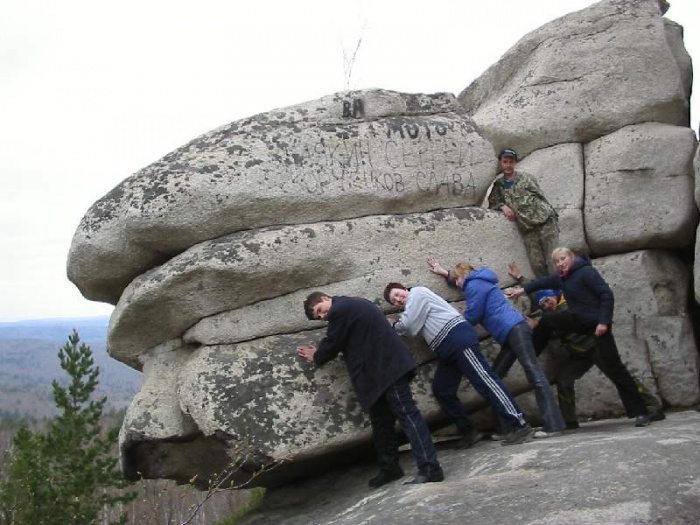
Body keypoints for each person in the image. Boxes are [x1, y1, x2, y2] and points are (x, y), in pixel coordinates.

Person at [296, 292, 444, 487]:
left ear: (325, 298)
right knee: (381, 422)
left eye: (319, 311)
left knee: (408, 416)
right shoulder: (352, 305)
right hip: (377, 375)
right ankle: (390, 468)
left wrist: (317, 355)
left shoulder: (341, 309)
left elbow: (333, 342)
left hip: (389, 369)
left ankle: (430, 468)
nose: (322, 317)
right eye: (319, 317)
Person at [508, 247, 653, 427]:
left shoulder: (586, 273)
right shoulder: (562, 278)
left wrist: (603, 322)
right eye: (557, 261)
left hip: (597, 329)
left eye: (563, 259)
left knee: (616, 369)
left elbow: (606, 295)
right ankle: (530, 355)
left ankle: (643, 411)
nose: (561, 263)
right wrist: (521, 289)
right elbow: (542, 284)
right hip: (579, 323)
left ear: (572, 257)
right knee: (548, 320)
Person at [426, 257, 565, 438]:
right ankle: (508, 428)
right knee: (495, 377)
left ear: (465, 275)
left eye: (458, 279)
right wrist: (443, 272)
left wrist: (453, 326)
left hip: (514, 330)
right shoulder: (477, 281)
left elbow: (473, 315)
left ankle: (553, 425)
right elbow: (457, 280)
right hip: (510, 333)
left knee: (534, 374)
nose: (457, 284)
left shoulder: (474, 286)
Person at [383, 282, 535, 446]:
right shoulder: (412, 307)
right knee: (442, 389)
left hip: (457, 338)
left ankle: (519, 424)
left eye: (398, 294)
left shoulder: (417, 293)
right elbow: (410, 324)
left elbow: (410, 327)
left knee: (485, 380)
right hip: (446, 348)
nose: (398, 299)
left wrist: (393, 324)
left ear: (404, 289)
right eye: (394, 301)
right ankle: (468, 431)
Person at [534, 288, 665, 429]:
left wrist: (539, 325)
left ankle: (653, 406)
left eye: (547, 301)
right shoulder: (552, 311)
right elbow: (540, 299)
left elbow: (557, 327)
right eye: (543, 306)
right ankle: (568, 420)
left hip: (595, 348)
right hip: (580, 355)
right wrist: (522, 282)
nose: (546, 306)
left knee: (620, 377)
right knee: (564, 380)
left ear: (554, 296)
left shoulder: (568, 305)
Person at [488, 148, 559, 277]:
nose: (508, 165)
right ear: (500, 163)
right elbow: (492, 202)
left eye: (511, 162)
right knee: (537, 264)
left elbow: (541, 197)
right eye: (505, 162)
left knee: (553, 260)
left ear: (515, 163)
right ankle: (548, 294)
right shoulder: (499, 185)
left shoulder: (526, 178)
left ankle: (563, 294)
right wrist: (503, 206)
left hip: (545, 222)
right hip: (527, 228)